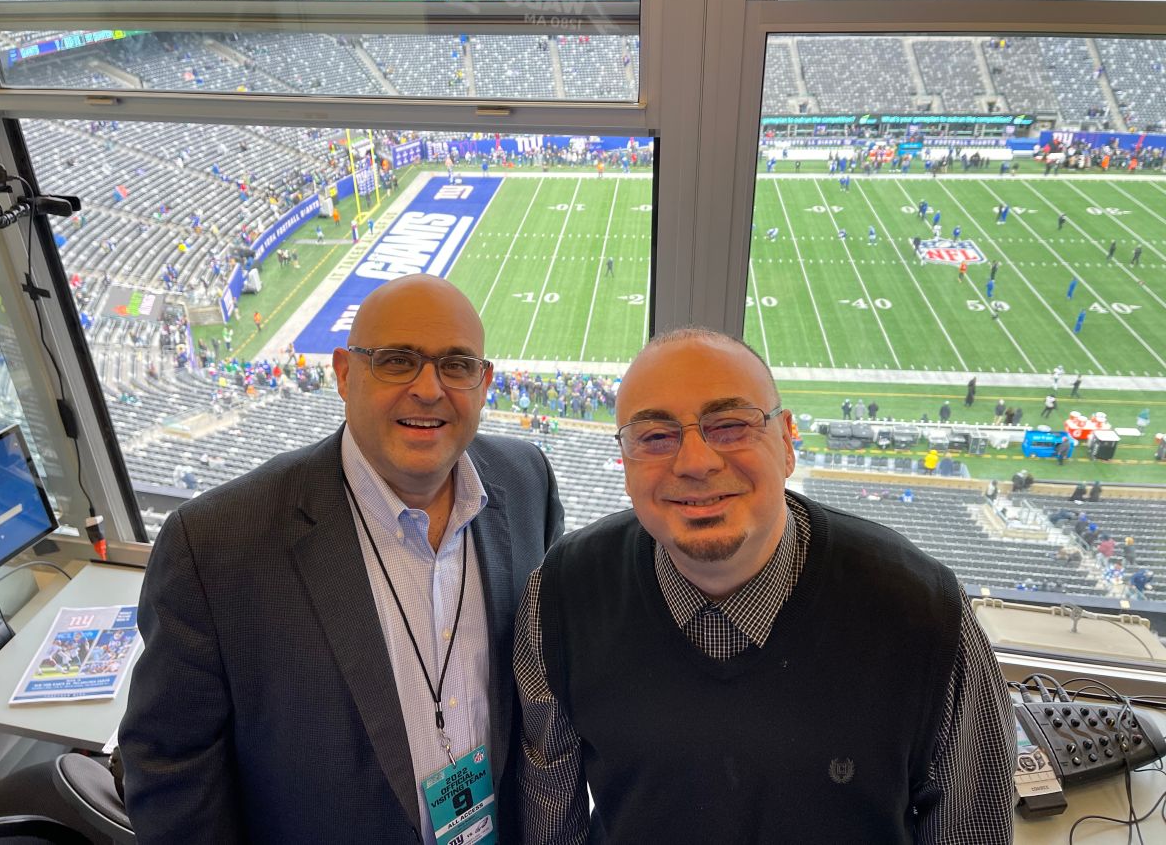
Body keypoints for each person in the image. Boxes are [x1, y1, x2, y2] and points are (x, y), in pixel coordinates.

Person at [515, 329, 1014, 843]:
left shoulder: (921, 611)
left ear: (787, 441)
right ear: (626, 459)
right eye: (655, 437)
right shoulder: (559, 598)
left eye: (730, 426)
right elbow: (553, 823)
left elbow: (970, 830)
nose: (695, 462)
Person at [120, 276, 565, 845]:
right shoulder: (213, 546)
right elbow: (170, 772)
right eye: (397, 361)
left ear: (484, 383)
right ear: (345, 373)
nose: (429, 389)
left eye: (456, 364)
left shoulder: (526, 481)